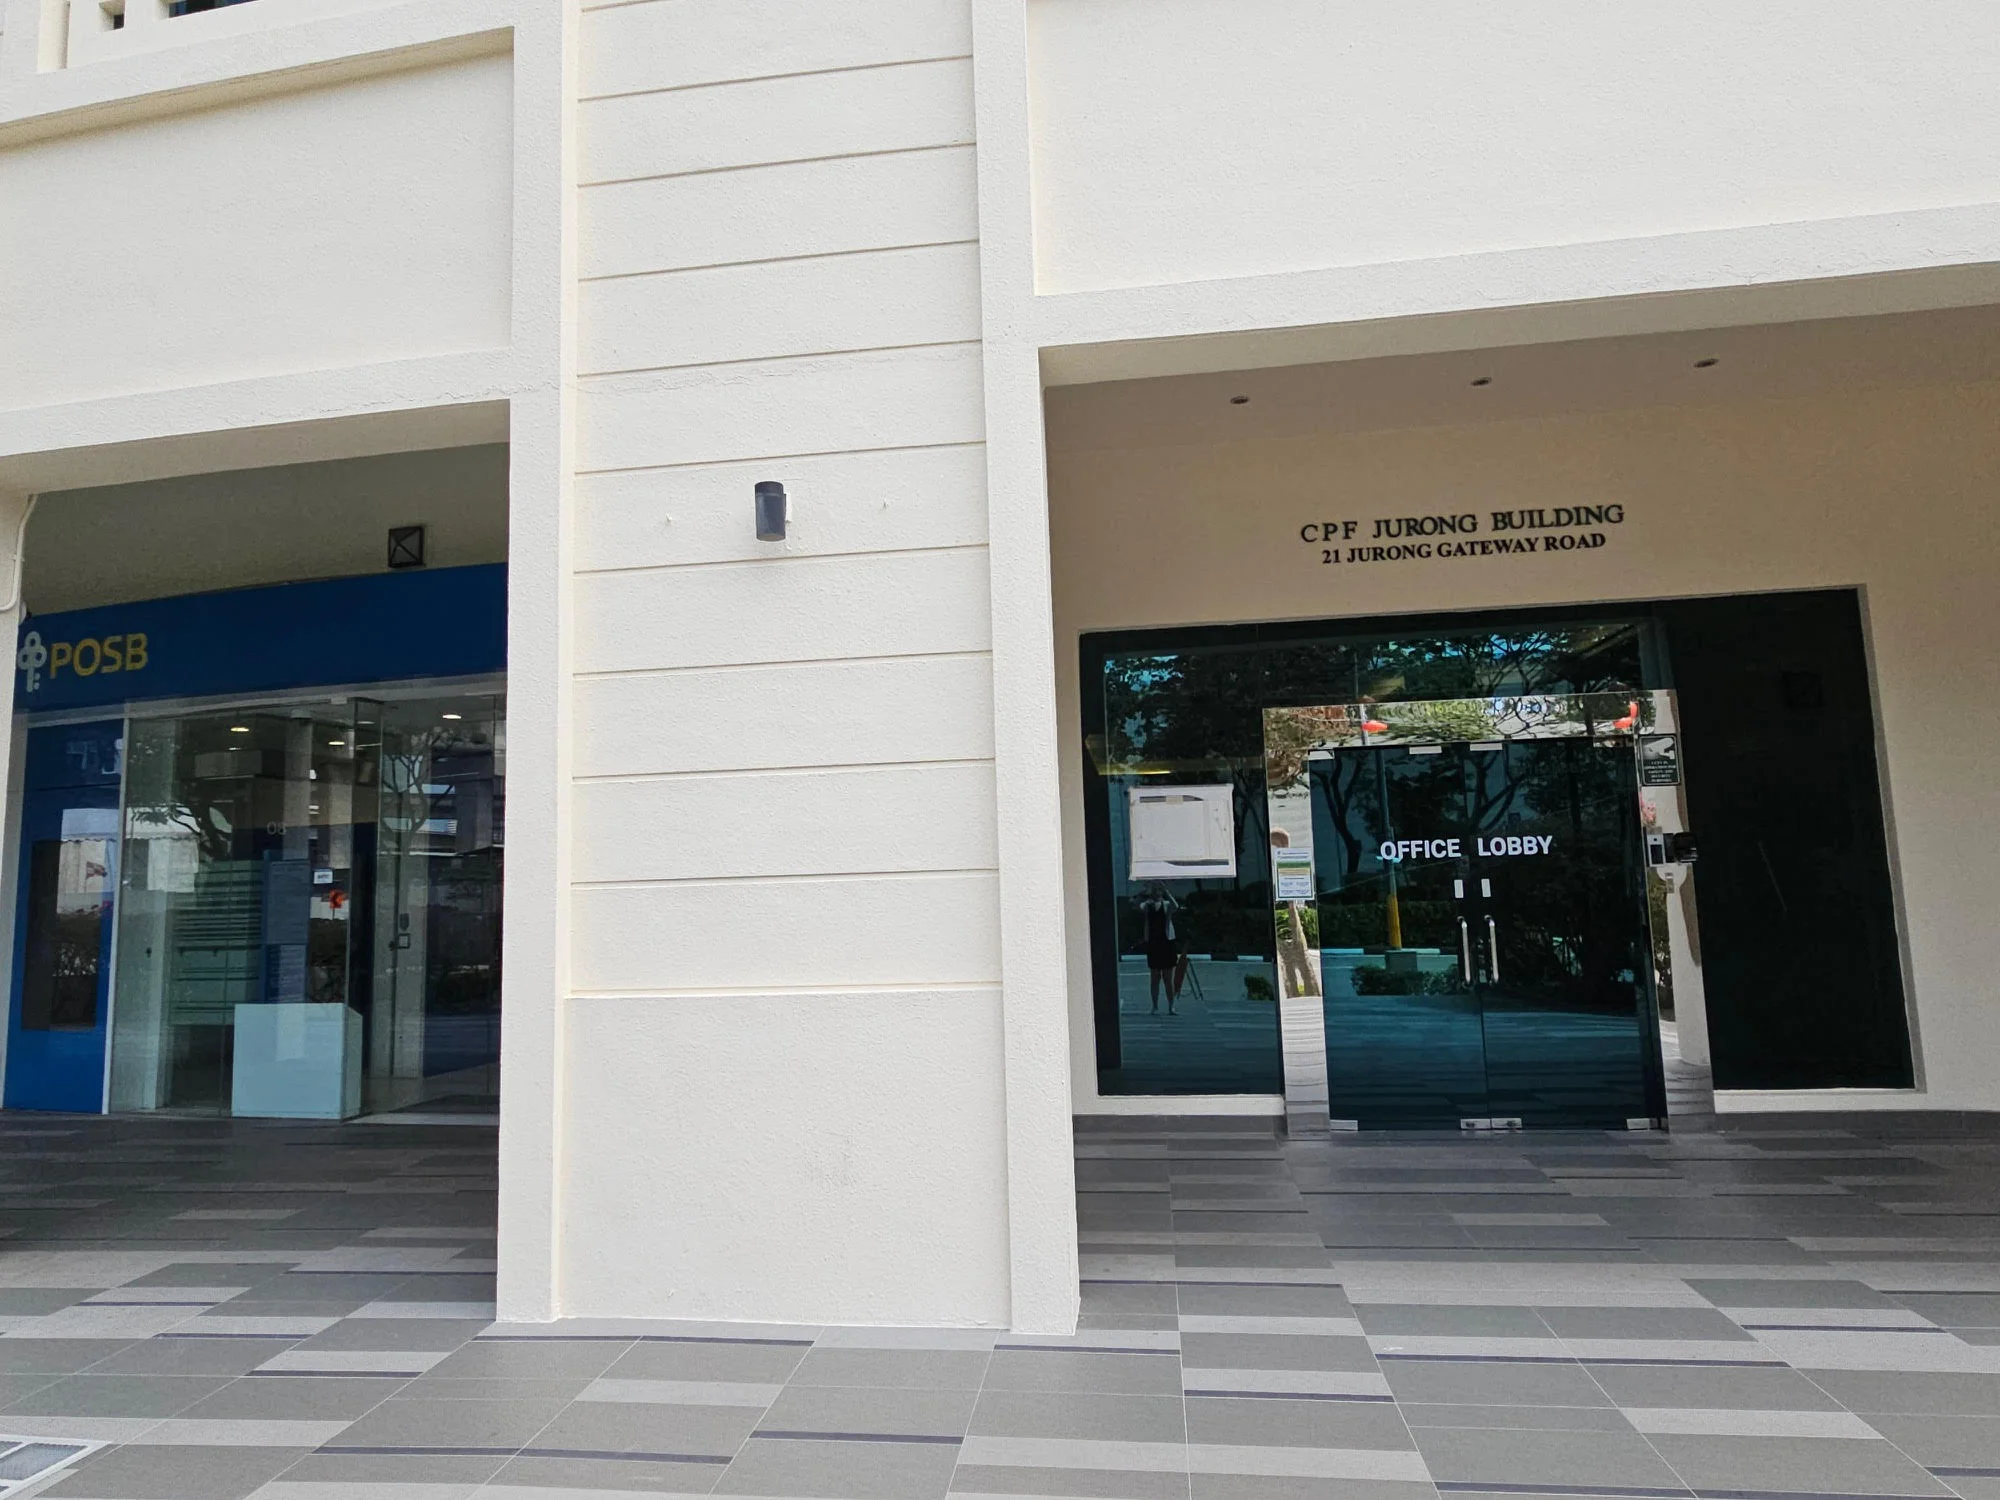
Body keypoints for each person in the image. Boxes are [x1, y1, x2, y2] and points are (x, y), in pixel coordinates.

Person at [1137, 886, 1186, 1015]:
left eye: (1159, 890)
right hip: (1153, 944)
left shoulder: (1167, 904)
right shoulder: (1148, 905)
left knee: (1168, 978)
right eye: (1155, 890)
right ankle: (1154, 1005)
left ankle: (1171, 1006)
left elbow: (1176, 906)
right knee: (1155, 977)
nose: (1157, 893)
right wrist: (1144, 892)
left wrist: (1167, 891)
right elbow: (1138, 905)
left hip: (1167, 943)